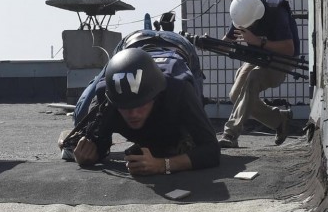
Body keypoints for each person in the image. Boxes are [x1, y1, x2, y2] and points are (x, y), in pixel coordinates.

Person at [63, 47, 220, 176]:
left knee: (184, 138)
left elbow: (211, 150)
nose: (133, 114)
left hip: (179, 49)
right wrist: (88, 153)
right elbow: (96, 143)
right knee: (80, 117)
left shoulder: (178, 91)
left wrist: (163, 165)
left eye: (140, 105)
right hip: (132, 46)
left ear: (155, 97)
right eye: (125, 107)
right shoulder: (108, 100)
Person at [218, 0, 300, 148]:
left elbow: (289, 49)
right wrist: (208, 43)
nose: (246, 28)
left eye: (249, 26)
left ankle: (230, 134)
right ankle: (279, 119)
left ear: (258, 16)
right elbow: (227, 41)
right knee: (235, 95)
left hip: (282, 59)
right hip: (259, 57)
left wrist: (257, 41)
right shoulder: (243, 11)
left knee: (253, 78)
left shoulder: (276, 11)